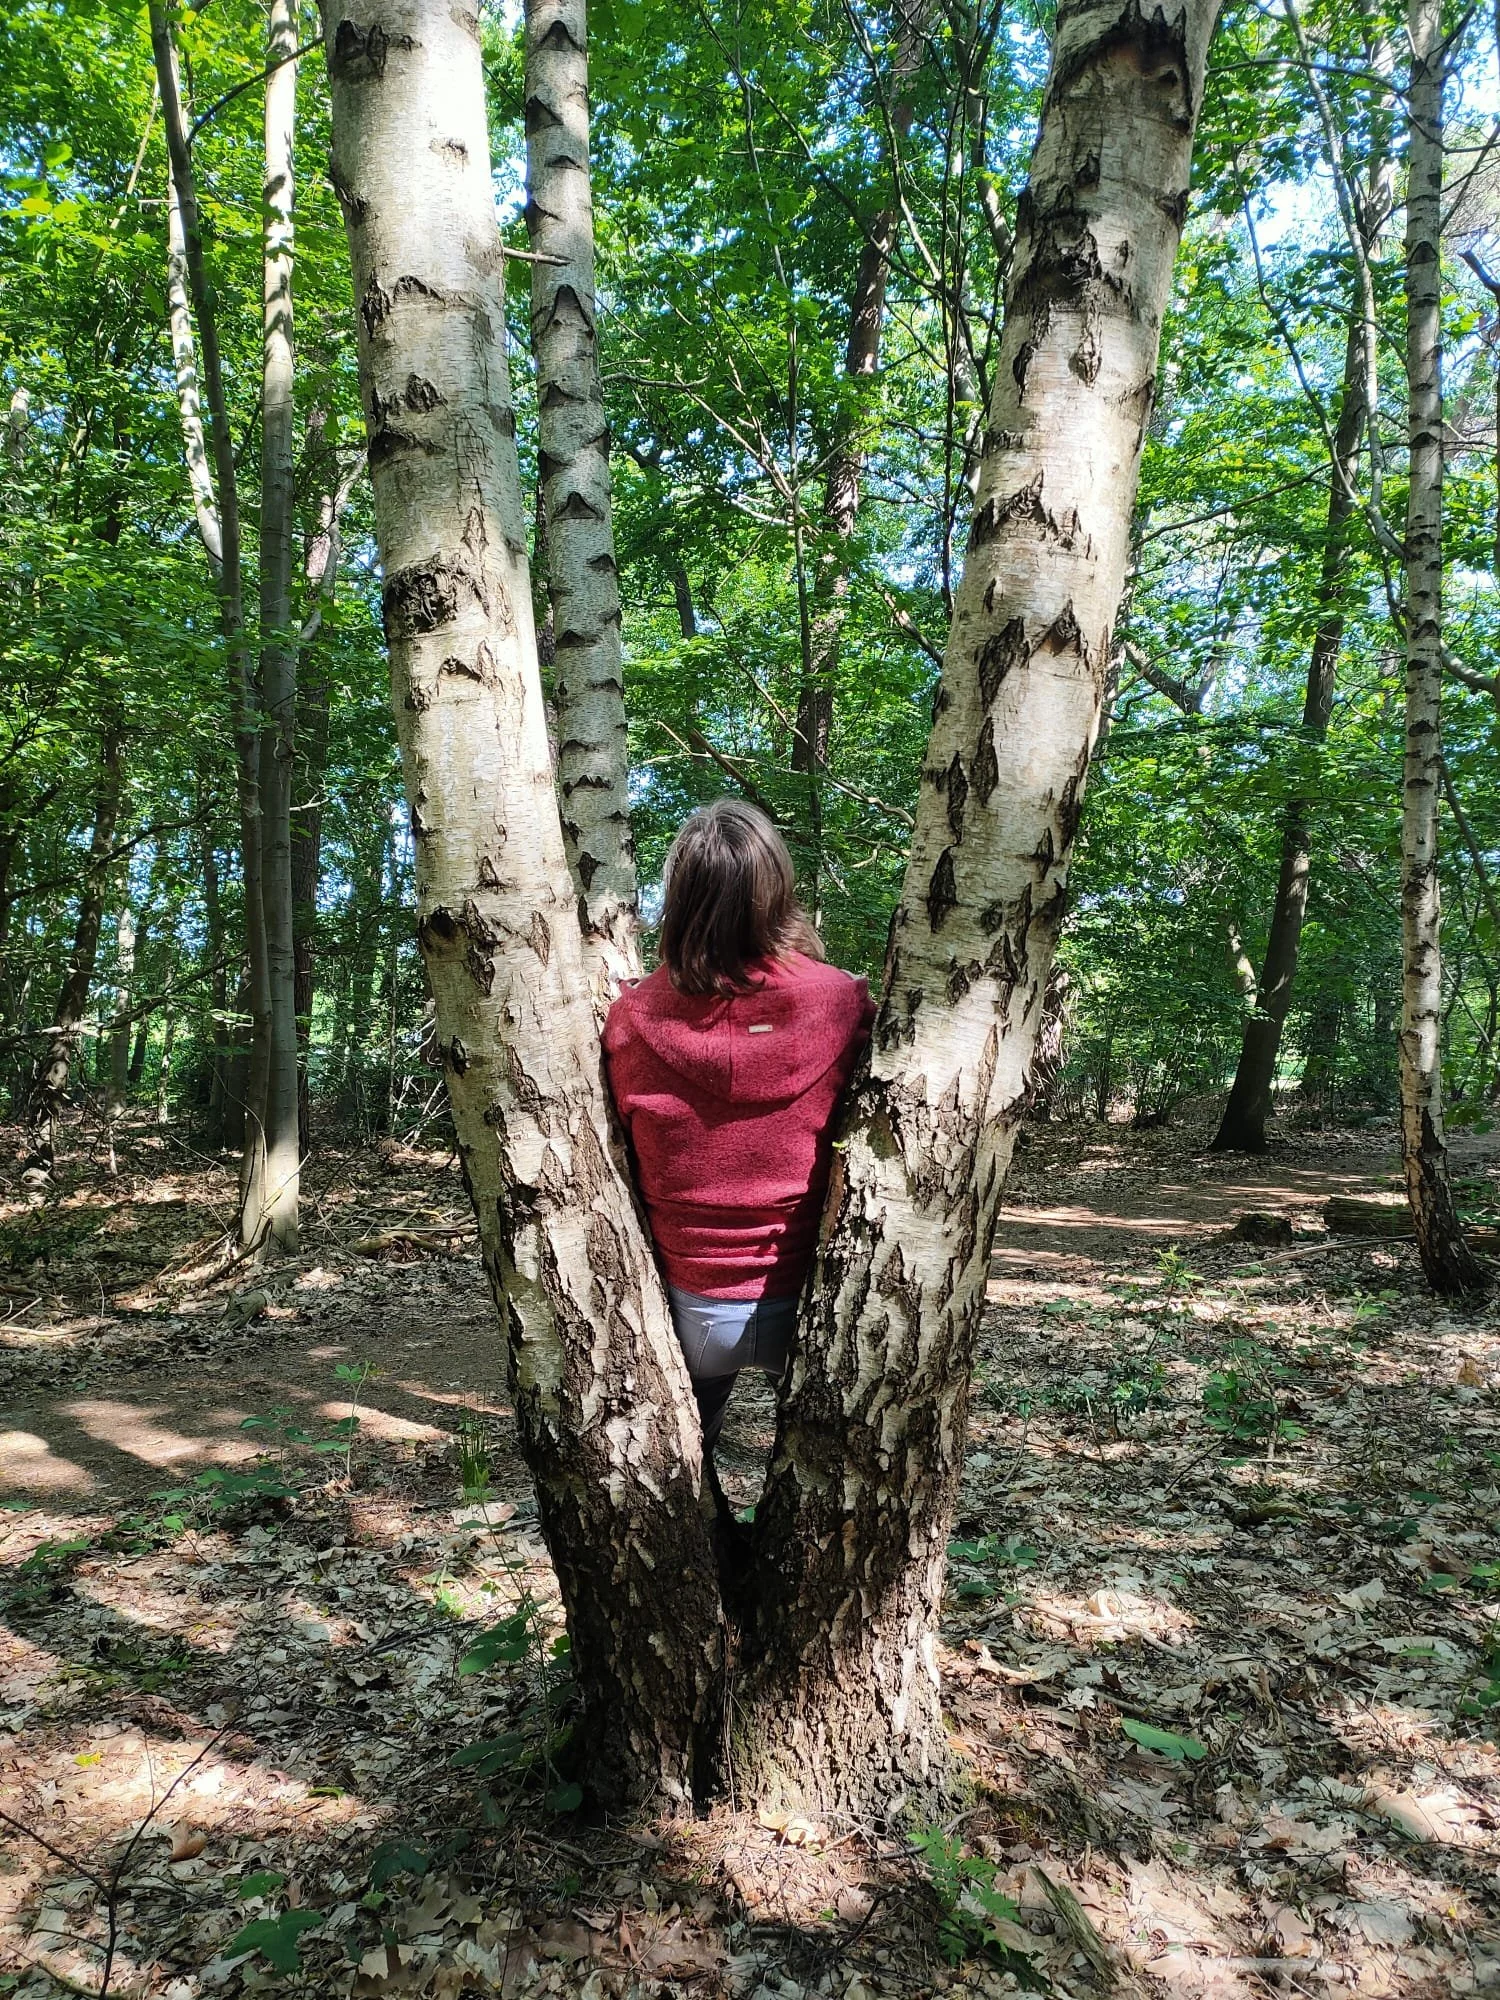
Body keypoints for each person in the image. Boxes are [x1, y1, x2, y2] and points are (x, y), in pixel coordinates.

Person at [603, 799, 875, 1461]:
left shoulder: (631, 1016)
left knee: (687, 1469)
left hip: (689, 1300)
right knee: (819, 1473)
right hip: (810, 1290)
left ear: (681, 896)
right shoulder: (843, 1001)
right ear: (775, 889)